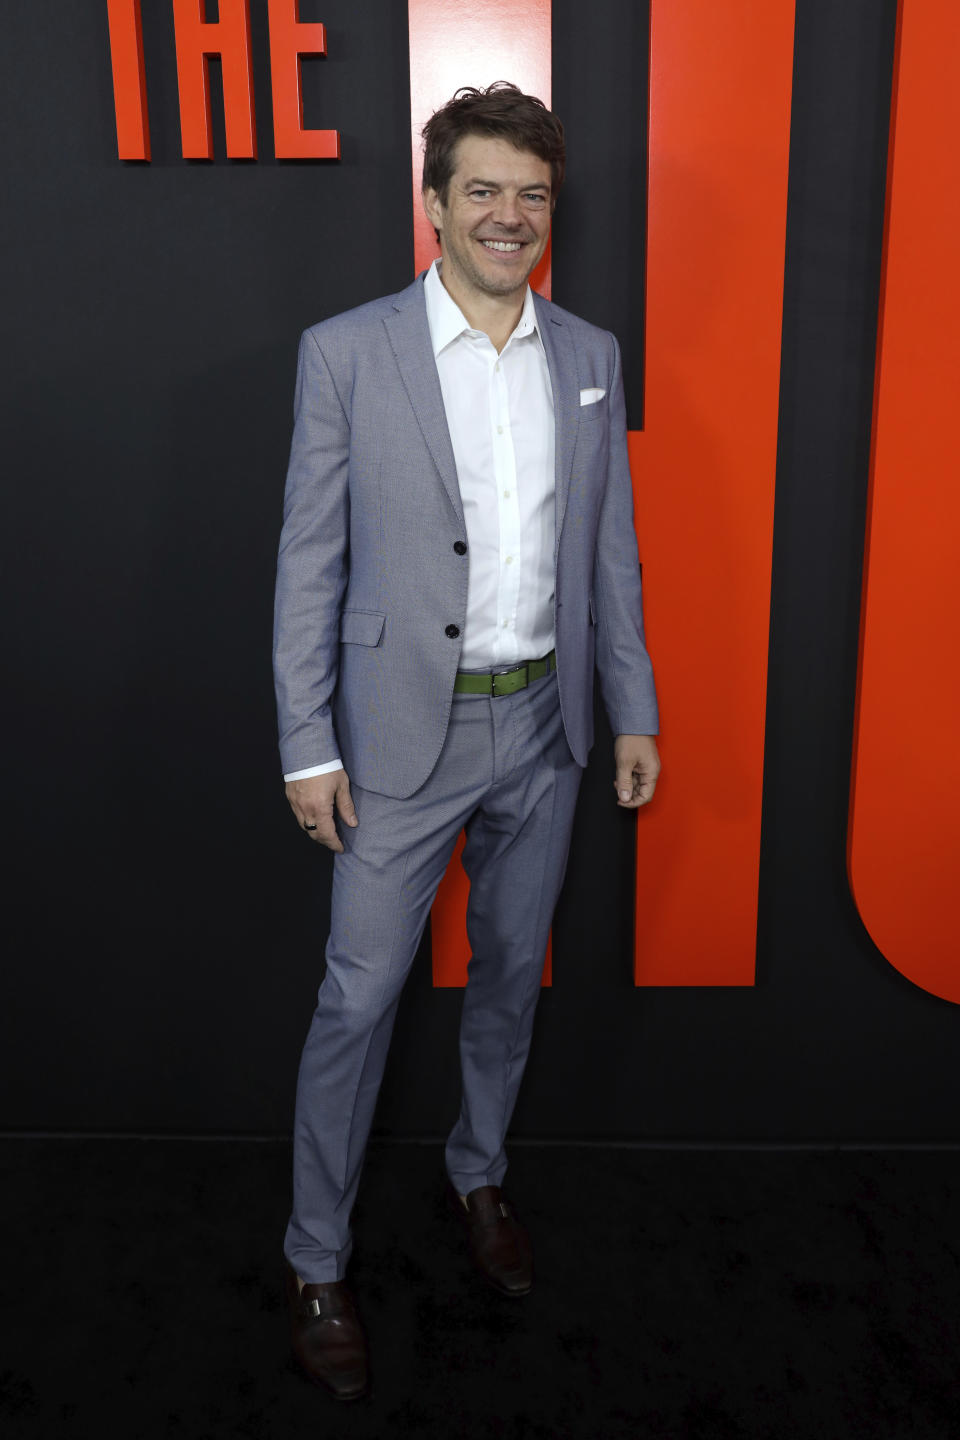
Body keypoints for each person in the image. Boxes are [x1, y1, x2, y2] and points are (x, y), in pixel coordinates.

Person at [272, 81, 659, 1400]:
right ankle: (317, 1256)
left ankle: (477, 1176)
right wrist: (303, 742)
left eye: (533, 194)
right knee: (357, 998)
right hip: (391, 743)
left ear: (555, 212)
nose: (511, 214)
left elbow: (610, 553)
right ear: (434, 204)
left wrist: (634, 708)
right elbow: (308, 560)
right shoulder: (346, 352)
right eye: (483, 189)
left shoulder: (591, 355)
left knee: (505, 982)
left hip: (544, 732)